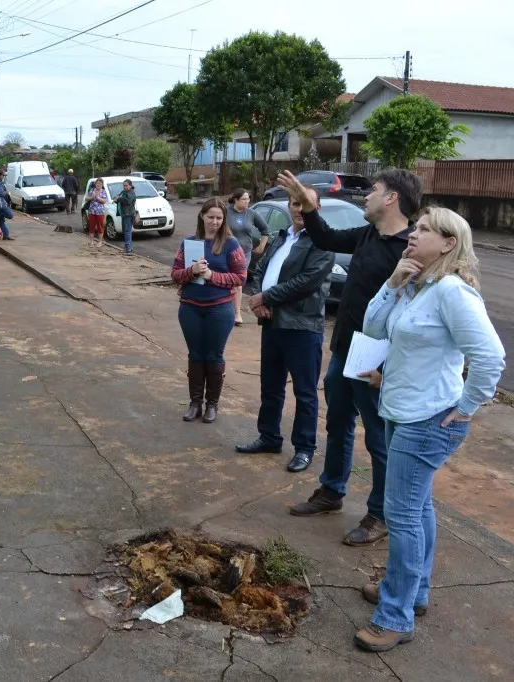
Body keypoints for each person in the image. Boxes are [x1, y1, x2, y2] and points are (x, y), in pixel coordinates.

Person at [352, 207, 505, 652]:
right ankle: (413, 595)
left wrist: (468, 406)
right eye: (413, 228)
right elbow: (372, 328)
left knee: (401, 517)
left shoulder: (453, 292)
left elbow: (490, 357)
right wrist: (392, 283)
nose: (411, 236)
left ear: (449, 243)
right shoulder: (418, 288)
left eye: (422, 230)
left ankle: (394, 616)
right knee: (416, 511)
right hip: (402, 411)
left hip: (429, 420)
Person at [277, 168, 422, 546]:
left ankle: (380, 514)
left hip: (377, 356)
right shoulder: (369, 235)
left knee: (378, 438)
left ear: (391, 199)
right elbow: (325, 236)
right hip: (346, 347)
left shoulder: (410, 247)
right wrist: (309, 207)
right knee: (338, 422)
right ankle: (332, 491)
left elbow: (413, 315)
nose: (367, 196)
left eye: (374, 191)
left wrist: (388, 366)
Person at [235, 187, 335, 472]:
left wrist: (266, 297)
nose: (300, 208)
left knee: (305, 393)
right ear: (289, 206)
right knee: (271, 386)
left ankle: (304, 448)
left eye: (306, 204)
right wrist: (258, 300)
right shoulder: (281, 236)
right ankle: (269, 437)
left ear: (317, 209)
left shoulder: (321, 241)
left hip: (303, 327)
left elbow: (307, 282)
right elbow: (261, 270)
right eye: (295, 203)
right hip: (273, 322)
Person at [170, 197, 248, 423]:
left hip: (219, 309)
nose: (215, 222)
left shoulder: (231, 245)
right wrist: (192, 271)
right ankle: (195, 402)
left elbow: (241, 277)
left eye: (219, 218)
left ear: (224, 220)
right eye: (211, 217)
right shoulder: (189, 243)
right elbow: (175, 274)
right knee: (195, 355)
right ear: (202, 217)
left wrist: (213, 276)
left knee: (214, 355)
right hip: (190, 308)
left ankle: (212, 404)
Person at [227, 189, 269, 326]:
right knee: (227, 280)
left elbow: (265, 229)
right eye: (244, 199)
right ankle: (224, 307)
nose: (247, 201)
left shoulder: (251, 214)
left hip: (244, 253)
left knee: (238, 283)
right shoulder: (226, 212)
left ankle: (237, 314)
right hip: (226, 252)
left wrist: (261, 246)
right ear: (236, 200)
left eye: (248, 199)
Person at [116, 179, 138, 255]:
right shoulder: (124, 192)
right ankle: (127, 247)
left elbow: (127, 200)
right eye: (124, 186)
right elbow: (118, 196)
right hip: (124, 214)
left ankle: (128, 249)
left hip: (129, 214)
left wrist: (118, 199)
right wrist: (118, 198)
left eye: (126, 185)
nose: (125, 187)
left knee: (127, 231)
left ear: (130, 186)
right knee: (125, 231)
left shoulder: (131, 193)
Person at [86, 178, 109, 248]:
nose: (98, 185)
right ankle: (91, 242)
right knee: (91, 226)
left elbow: (104, 201)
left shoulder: (103, 191)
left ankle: (100, 242)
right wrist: (92, 197)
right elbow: (86, 198)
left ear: (102, 185)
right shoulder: (92, 190)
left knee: (100, 227)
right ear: (95, 184)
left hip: (100, 212)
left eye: (100, 184)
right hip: (92, 211)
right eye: (97, 183)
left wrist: (98, 198)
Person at [0, 169, 14, 241]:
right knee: (10, 215)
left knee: (2, 220)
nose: (3, 177)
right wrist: (5, 193)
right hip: (0, 205)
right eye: (3, 175)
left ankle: (6, 235)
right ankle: (6, 235)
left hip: (0, 204)